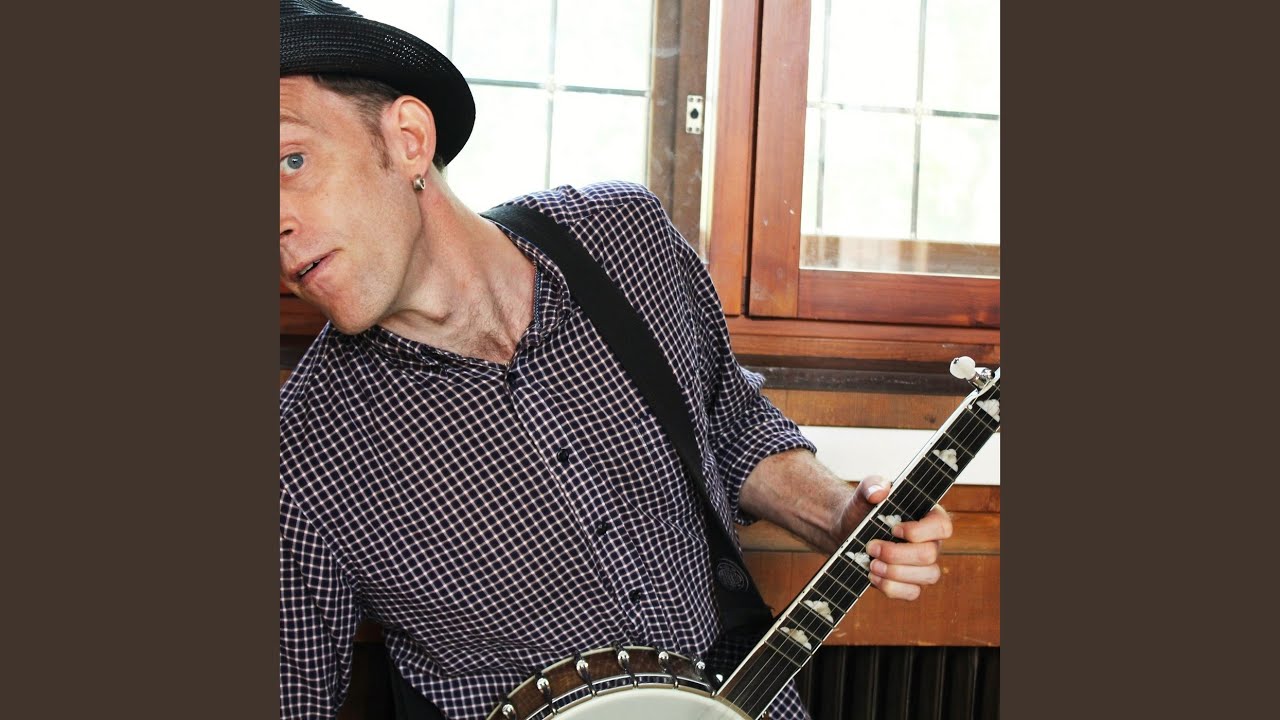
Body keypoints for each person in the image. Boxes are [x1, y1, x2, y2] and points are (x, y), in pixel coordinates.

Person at [278, 2, 954, 719]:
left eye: (290, 161)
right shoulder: (298, 455)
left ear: (408, 139)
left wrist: (840, 515)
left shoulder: (623, 239)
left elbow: (727, 424)